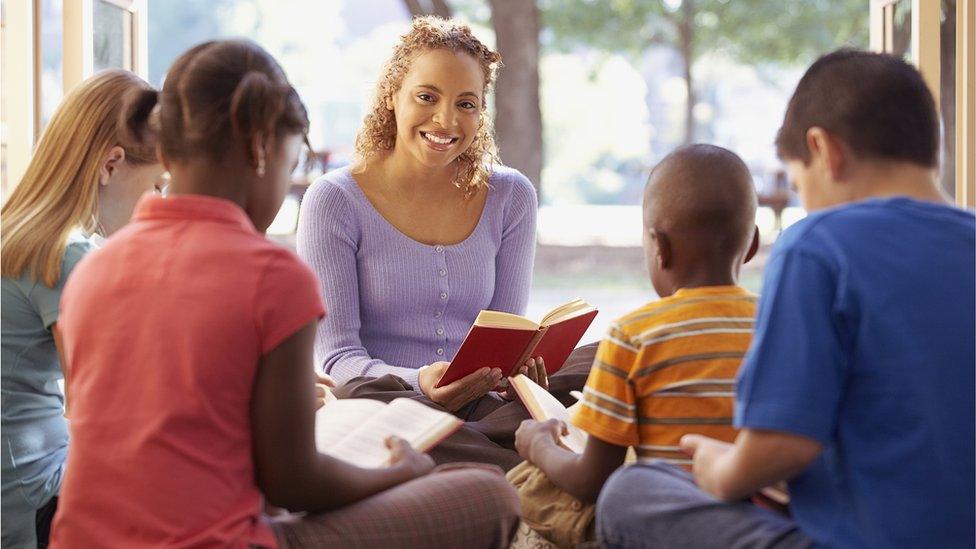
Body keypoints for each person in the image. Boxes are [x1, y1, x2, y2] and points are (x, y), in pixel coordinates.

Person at [49, 39, 519, 548]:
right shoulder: (272, 275)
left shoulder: (91, 270)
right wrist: (398, 473)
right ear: (261, 151)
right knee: (490, 497)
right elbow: (294, 481)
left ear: (164, 150)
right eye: (291, 163)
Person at [597, 49, 975, 549]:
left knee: (632, 490)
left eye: (799, 184)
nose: (805, 202)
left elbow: (782, 444)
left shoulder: (818, 245)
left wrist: (722, 470)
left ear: (824, 150)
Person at [297, 16, 589, 470]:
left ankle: (492, 449)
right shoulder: (334, 200)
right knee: (361, 399)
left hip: (484, 404)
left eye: (467, 104)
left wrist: (521, 372)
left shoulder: (511, 196)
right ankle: (527, 453)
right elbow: (338, 358)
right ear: (392, 96)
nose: (447, 120)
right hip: (389, 401)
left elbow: (507, 329)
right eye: (427, 97)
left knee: (602, 361)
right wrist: (421, 382)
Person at [510, 144, 762, 547]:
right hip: (758, 519)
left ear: (659, 248)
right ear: (751, 246)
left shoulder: (635, 335)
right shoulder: (778, 326)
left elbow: (594, 482)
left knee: (528, 487)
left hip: (664, 527)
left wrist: (538, 446)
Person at [1, 69, 165, 548]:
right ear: (110, 166)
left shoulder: (20, 232)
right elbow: (110, 411)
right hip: (32, 500)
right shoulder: (66, 253)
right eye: (157, 184)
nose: (159, 202)